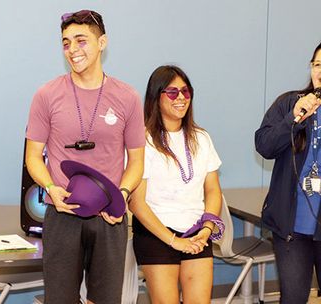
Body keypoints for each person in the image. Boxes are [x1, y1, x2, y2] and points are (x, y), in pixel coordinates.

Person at [25, 10, 145, 304]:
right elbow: (33, 158)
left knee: (106, 299)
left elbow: (137, 162)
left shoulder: (127, 97)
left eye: (81, 41)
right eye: (66, 43)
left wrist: (121, 196)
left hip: (109, 217)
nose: (72, 50)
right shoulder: (46, 95)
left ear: (102, 42)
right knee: (60, 299)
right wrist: (52, 188)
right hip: (62, 213)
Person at [255, 38, 321, 303]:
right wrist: (293, 118)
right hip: (290, 227)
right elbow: (265, 146)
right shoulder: (290, 103)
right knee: (292, 298)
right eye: (318, 64)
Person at [128, 65, 223, 304]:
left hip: (197, 233)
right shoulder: (143, 140)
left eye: (185, 91)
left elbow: (212, 190)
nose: (180, 98)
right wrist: (173, 241)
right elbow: (137, 203)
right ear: (156, 97)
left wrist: (206, 230)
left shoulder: (201, 138)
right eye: (171, 92)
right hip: (156, 234)